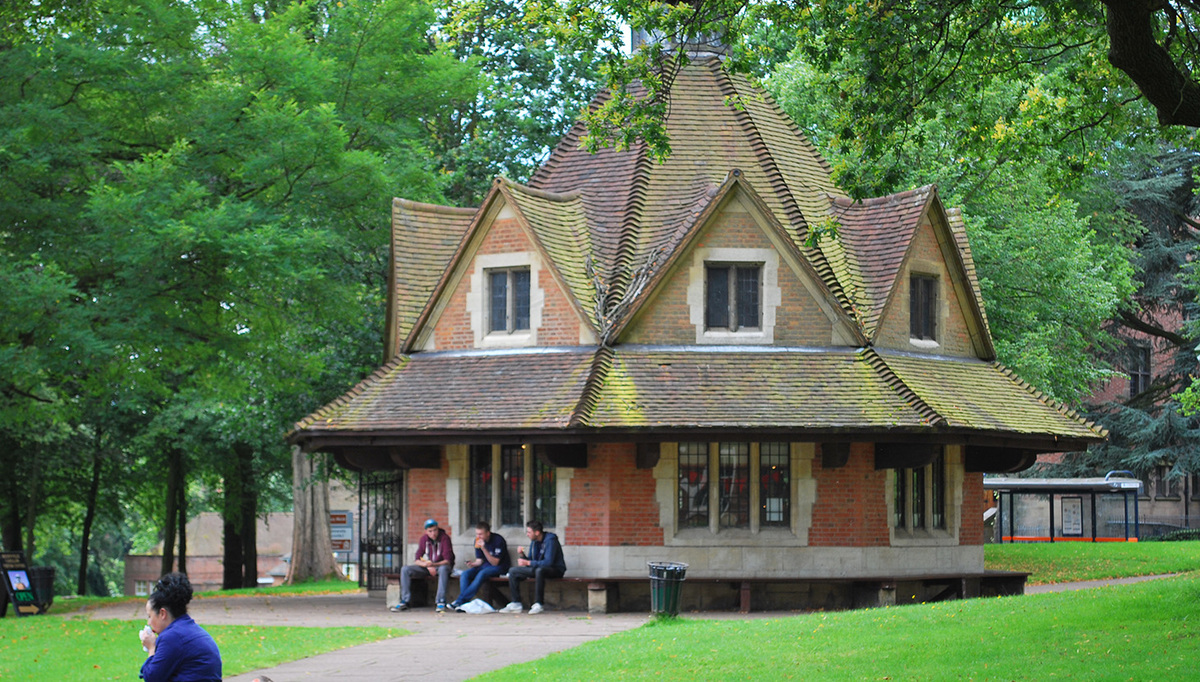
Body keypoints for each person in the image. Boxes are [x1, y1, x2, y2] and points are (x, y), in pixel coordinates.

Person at [139, 572, 221, 682]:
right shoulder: (189, 630)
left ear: (162, 614)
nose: (149, 622)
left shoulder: (172, 636)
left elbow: (151, 678)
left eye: (150, 616)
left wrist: (151, 648)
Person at [391, 518, 455, 613]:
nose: (433, 533)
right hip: (429, 567)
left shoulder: (445, 538)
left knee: (443, 569)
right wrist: (427, 566)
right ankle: (405, 601)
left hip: (441, 566)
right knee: (405, 569)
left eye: (435, 530)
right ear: (426, 532)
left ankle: (440, 602)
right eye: (430, 531)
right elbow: (417, 559)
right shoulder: (424, 539)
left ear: (438, 529)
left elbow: (448, 561)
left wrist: (433, 565)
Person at [501, 520, 566, 614]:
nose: (527, 534)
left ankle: (538, 604)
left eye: (529, 532)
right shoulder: (534, 542)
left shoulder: (551, 540)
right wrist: (523, 556)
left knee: (540, 570)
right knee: (513, 571)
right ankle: (516, 603)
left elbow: (549, 562)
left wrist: (528, 563)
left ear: (537, 532)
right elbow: (532, 560)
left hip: (555, 569)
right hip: (538, 569)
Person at [448, 521, 508, 610]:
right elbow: (480, 560)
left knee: (482, 573)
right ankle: (465, 604)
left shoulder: (498, 540)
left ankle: (460, 601)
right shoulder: (477, 541)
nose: (478, 536)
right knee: (465, 574)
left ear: (488, 533)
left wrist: (484, 548)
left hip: (500, 567)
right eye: (477, 534)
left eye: (480, 534)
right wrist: (473, 564)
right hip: (485, 566)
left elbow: (495, 563)